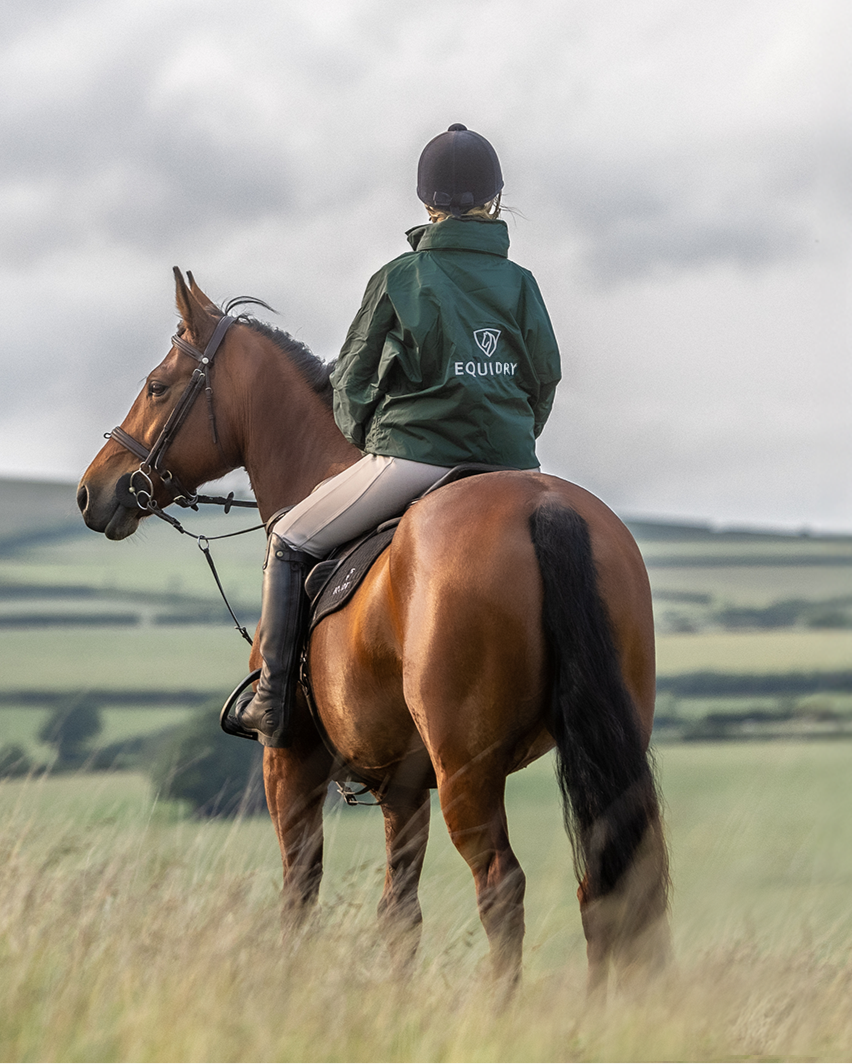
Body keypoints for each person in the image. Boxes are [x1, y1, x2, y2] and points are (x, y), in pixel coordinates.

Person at [226, 123, 561, 746]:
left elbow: (351, 381)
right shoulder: (522, 284)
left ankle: (271, 700)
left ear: (426, 201)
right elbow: (546, 378)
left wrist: (365, 440)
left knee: (290, 538)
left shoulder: (399, 278)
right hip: (513, 466)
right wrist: (510, 440)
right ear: (495, 198)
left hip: (416, 459)